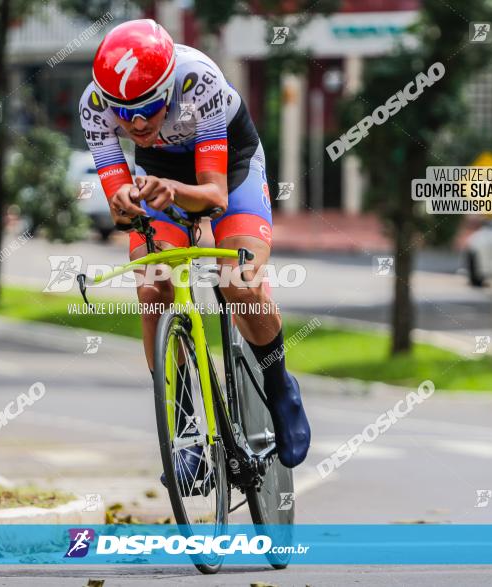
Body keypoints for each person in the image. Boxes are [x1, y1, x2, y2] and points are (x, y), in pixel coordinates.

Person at [78, 19, 310, 489]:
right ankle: (184, 428)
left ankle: (280, 384)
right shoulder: (94, 105)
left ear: (169, 87)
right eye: (126, 115)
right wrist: (124, 203)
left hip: (230, 164)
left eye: (149, 109)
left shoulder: (196, 78)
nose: (139, 124)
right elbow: (121, 207)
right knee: (152, 286)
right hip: (159, 174)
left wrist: (175, 192)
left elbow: (214, 196)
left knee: (237, 281)